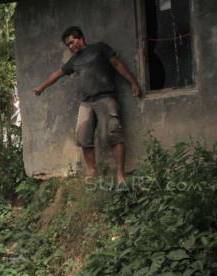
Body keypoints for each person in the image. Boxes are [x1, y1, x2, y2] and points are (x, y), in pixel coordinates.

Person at [34, 26, 141, 184]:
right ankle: (92, 172)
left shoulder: (99, 48)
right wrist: (42, 87)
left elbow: (117, 64)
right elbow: (57, 74)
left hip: (105, 98)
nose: (71, 47)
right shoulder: (74, 61)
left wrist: (133, 83)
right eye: (68, 45)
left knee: (113, 133)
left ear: (81, 38)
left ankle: (120, 175)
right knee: (83, 137)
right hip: (86, 102)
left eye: (72, 42)